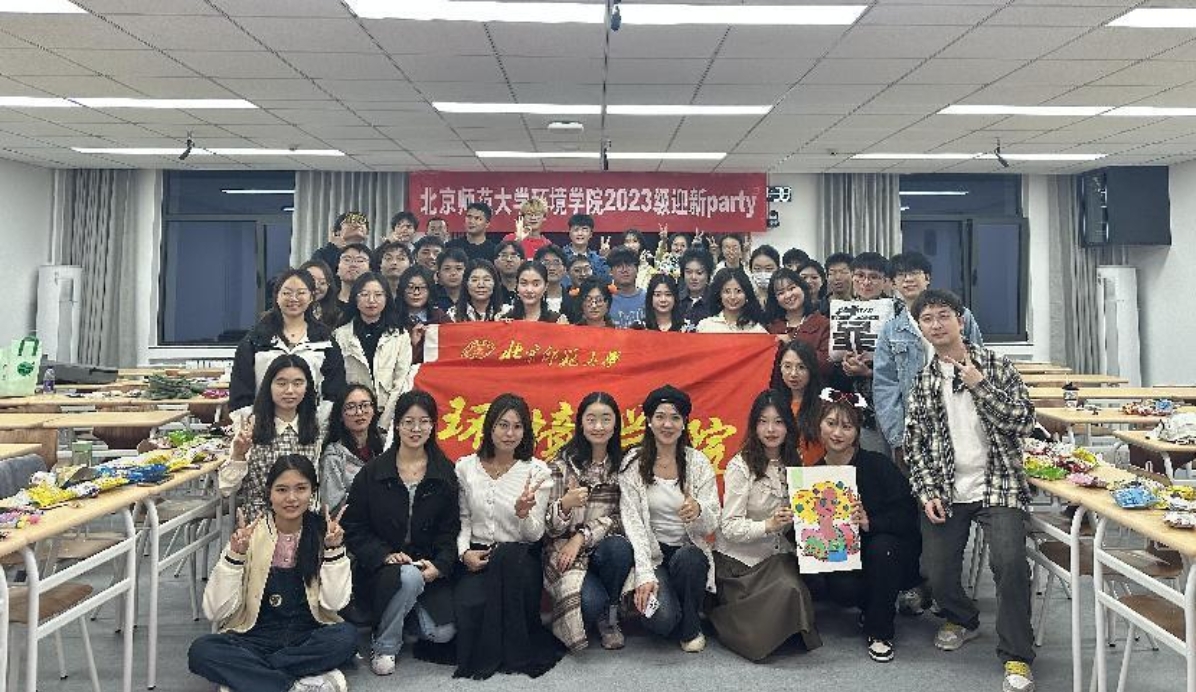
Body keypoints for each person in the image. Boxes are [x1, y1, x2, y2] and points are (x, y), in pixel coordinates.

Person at [904, 289, 1038, 692]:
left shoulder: (996, 365)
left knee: (1010, 564)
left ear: (960, 321)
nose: (937, 324)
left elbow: (1023, 421)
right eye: (927, 319)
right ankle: (962, 617)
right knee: (935, 572)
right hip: (947, 488)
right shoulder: (923, 381)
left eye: (943, 315)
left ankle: (1017, 656)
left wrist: (980, 386)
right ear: (921, 328)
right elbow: (915, 444)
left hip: (999, 483)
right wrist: (927, 491)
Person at [189, 455, 356, 692]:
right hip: (255, 634)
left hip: (307, 632)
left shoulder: (324, 533)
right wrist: (235, 557)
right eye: (282, 490)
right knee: (202, 651)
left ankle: (253, 678)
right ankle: (293, 684)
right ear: (269, 493)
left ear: (313, 492)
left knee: (346, 637)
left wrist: (334, 551)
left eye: (301, 489)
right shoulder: (250, 535)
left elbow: (335, 603)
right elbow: (215, 612)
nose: (291, 498)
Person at [342, 390, 460, 676]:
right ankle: (385, 644)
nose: (416, 429)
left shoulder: (445, 472)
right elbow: (354, 528)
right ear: (397, 425)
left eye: (424, 421)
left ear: (433, 425)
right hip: (381, 569)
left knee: (442, 633)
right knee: (407, 577)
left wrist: (439, 566)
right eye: (409, 422)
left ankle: (399, 614)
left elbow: (450, 530)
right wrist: (383, 555)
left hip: (426, 567)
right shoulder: (373, 472)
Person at [453, 393, 563, 679]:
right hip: (478, 554)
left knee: (512, 597)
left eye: (517, 426)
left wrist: (523, 514)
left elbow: (535, 535)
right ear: (490, 427)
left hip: (519, 557)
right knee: (469, 605)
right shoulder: (466, 467)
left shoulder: (536, 471)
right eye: (503, 425)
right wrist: (464, 553)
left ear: (525, 431)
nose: (509, 433)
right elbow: (463, 519)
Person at [710, 389, 820, 661]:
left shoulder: (794, 460)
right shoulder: (741, 465)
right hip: (740, 562)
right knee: (788, 589)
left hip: (778, 554)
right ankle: (725, 619)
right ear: (754, 426)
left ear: (788, 426)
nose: (771, 429)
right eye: (763, 421)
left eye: (778, 422)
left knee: (794, 585)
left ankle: (778, 627)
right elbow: (729, 527)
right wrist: (769, 524)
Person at [812, 391, 921, 664]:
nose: (837, 433)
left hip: (887, 551)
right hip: (843, 555)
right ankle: (870, 606)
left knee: (883, 549)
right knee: (841, 590)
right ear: (819, 425)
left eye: (847, 426)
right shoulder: (813, 475)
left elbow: (907, 514)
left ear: (857, 432)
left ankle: (880, 632)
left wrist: (871, 522)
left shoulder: (878, 465)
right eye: (831, 424)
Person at [619, 385, 720, 652]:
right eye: (660, 417)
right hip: (652, 555)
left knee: (691, 558)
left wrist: (698, 511)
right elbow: (633, 525)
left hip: (686, 553)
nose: (667, 424)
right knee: (661, 621)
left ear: (684, 423)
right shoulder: (633, 463)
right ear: (648, 421)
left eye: (675, 418)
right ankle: (676, 604)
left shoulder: (698, 462)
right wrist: (644, 574)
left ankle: (691, 627)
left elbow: (712, 522)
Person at [874, 251, 984, 469]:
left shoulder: (960, 316)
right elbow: (885, 386)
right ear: (893, 283)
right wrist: (898, 438)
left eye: (914, 273)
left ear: (927, 278)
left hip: (961, 415)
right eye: (901, 275)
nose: (908, 279)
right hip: (916, 422)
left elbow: (980, 362)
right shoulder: (891, 330)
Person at [543, 392, 634, 652]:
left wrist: (582, 535)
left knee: (619, 548)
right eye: (591, 419)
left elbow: (623, 518)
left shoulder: (624, 467)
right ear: (581, 423)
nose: (598, 426)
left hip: (604, 551)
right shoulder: (560, 465)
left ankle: (611, 616)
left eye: (606, 419)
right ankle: (596, 606)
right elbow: (549, 529)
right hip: (565, 554)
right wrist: (565, 505)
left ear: (615, 425)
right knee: (590, 603)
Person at [222, 355, 328, 520]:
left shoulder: (316, 428)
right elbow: (227, 487)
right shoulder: (250, 426)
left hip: (305, 519)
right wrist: (238, 455)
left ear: (307, 387)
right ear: (268, 386)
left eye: (298, 383)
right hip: (260, 520)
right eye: (281, 383)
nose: (290, 391)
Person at [230, 269, 346, 418]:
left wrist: (317, 423)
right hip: (261, 424)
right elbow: (240, 393)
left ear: (311, 297)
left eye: (301, 293)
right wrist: (255, 423)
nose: (293, 298)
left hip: (312, 425)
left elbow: (334, 391)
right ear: (277, 296)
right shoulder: (255, 340)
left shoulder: (325, 341)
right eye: (287, 293)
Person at [331, 272, 412, 431]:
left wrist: (385, 421)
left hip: (388, 413)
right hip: (353, 414)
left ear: (387, 298)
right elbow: (338, 381)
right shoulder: (340, 335)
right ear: (355, 298)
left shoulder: (400, 335)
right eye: (365, 294)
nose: (371, 300)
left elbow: (402, 380)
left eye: (378, 295)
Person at [832, 251, 892, 455]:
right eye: (860, 275)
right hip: (854, 403)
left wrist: (868, 372)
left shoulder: (897, 312)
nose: (866, 282)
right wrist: (846, 367)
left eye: (874, 277)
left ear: (885, 281)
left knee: (893, 462)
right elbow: (833, 356)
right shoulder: (842, 310)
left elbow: (905, 364)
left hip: (890, 402)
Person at [320, 384, 384, 512]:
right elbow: (333, 507)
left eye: (365, 405)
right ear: (340, 415)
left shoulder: (386, 446)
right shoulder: (333, 457)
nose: (359, 412)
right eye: (350, 407)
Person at [765, 268, 831, 377]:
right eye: (781, 293)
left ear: (802, 288)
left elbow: (826, 365)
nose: (788, 295)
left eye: (792, 288)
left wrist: (791, 343)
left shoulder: (823, 324)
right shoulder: (771, 328)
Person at [769, 340, 825, 465]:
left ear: (811, 369)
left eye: (801, 367)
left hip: (817, 474)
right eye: (787, 366)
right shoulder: (772, 404)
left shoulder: (825, 406)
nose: (793, 374)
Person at [395, 265, 446, 365]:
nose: (416, 292)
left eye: (423, 287)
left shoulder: (440, 317)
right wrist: (413, 344)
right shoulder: (393, 319)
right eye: (410, 287)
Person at [695, 267, 767, 334]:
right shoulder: (705, 326)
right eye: (727, 291)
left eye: (738, 291)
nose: (732, 297)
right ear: (719, 294)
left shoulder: (757, 330)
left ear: (746, 294)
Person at [498, 260, 568, 323]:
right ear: (517, 285)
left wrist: (563, 329)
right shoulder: (507, 319)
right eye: (524, 283)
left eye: (536, 284)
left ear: (545, 287)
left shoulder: (555, 321)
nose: (529, 290)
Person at [561, 213, 610, 286]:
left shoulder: (598, 260)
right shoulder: (561, 257)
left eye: (584, 230)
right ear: (569, 233)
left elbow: (604, 283)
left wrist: (605, 258)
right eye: (576, 230)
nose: (580, 233)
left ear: (591, 234)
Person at [607, 246, 645, 328]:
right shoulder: (605, 299)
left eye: (629, 265)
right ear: (610, 271)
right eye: (619, 266)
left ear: (637, 269)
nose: (624, 270)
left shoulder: (648, 298)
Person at [298, 260, 341, 332]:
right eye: (311, 280)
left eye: (322, 282)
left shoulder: (337, 316)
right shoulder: (287, 312)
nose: (316, 286)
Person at [333, 243, 372, 314]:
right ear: (337, 269)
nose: (353, 265)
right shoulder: (327, 302)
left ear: (370, 270)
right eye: (347, 260)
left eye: (360, 260)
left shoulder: (377, 303)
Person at [679, 248, 714, 325]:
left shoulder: (715, 301)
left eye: (699, 273)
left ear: (708, 274)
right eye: (689, 272)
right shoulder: (676, 299)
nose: (693, 277)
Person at [534, 245, 569, 313]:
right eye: (546, 263)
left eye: (556, 263)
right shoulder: (528, 299)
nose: (551, 268)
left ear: (565, 269)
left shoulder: (573, 302)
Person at [432, 247, 468, 313]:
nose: (453, 273)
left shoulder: (473, 295)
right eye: (447, 269)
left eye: (459, 268)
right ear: (439, 273)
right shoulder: (431, 296)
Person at [493, 240, 524, 307]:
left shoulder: (527, 291)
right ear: (495, 262)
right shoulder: (491, 291)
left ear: (522, 262)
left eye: (513, 255)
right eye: (504, 255)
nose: (509, 259)